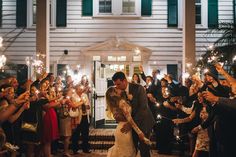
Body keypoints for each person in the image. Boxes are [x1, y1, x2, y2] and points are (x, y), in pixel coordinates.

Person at [112, 71, 155, 157]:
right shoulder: (120, 92)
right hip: (131, 124)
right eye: (115, 85)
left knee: (144, 149)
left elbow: (143, 108)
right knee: (132, 148)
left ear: (124, 81)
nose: (117, 87)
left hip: (144, 122)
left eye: (118, 84)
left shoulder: (139, 88)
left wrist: (130, 124)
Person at [105, 86, 151, 157]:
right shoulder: (121, 102)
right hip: (125, 131)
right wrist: (139, 132)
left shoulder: (118, 102)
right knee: (126, 153)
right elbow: (130, 119)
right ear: (114, 94)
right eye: (116, 89)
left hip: (121, 128)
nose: (118, 88)